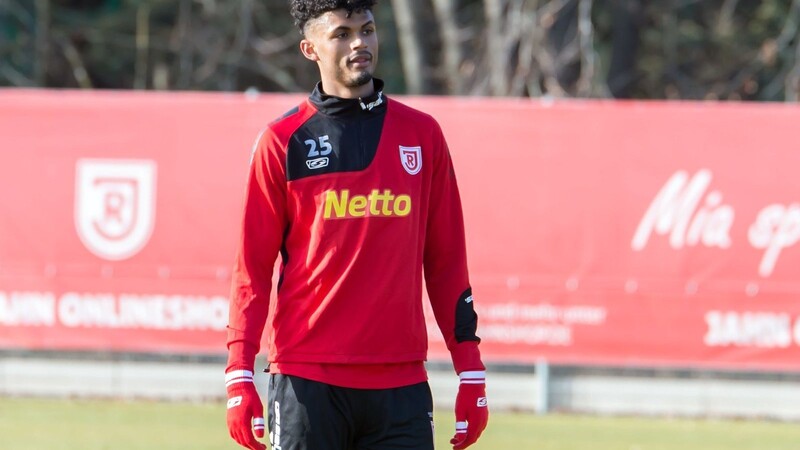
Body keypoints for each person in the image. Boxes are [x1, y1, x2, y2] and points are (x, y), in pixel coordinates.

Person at [224, 1, 488, 449]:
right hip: (307, 382)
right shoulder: (282, 142)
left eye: (366, 30)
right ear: (311, 49)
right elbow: (251, 271)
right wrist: (239, 372)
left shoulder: (422, 135)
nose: (359, 43)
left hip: (400, 386)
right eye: (342, 34)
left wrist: (471, 369)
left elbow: (446, 264)